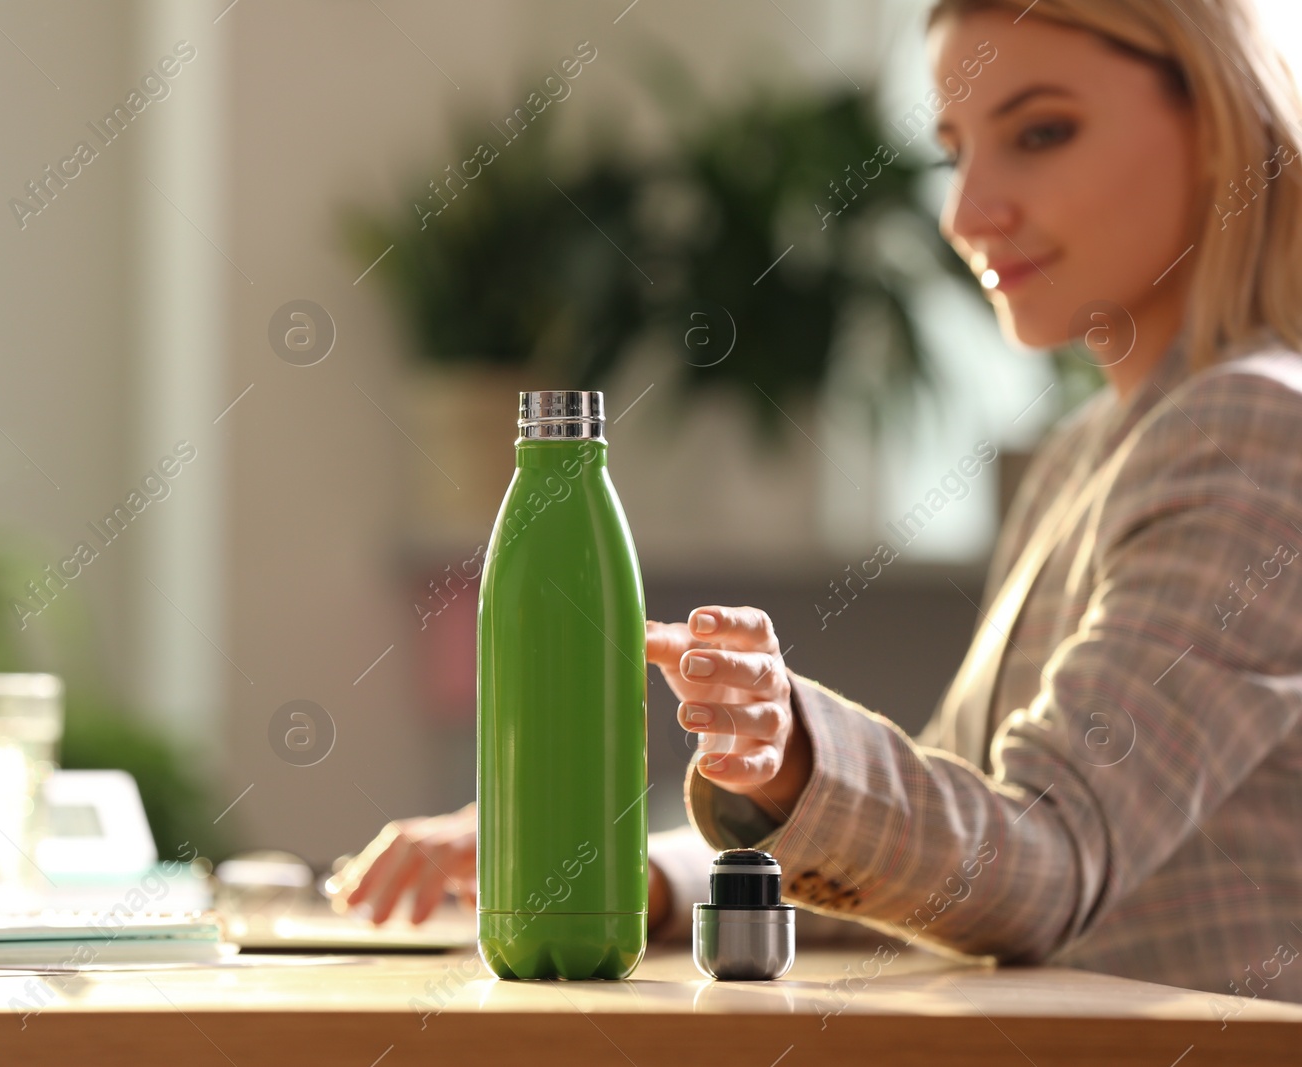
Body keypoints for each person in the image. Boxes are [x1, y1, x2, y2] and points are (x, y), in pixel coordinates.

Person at [330, 0, 1302, 1002]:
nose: (967, 216)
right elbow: (936, 868)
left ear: (1216, 128)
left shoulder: (1250, 430)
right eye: (954, 153)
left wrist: (795, 744)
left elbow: (1039, 864)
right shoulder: (1084, 454)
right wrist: (604, 866)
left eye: (1041, 132)